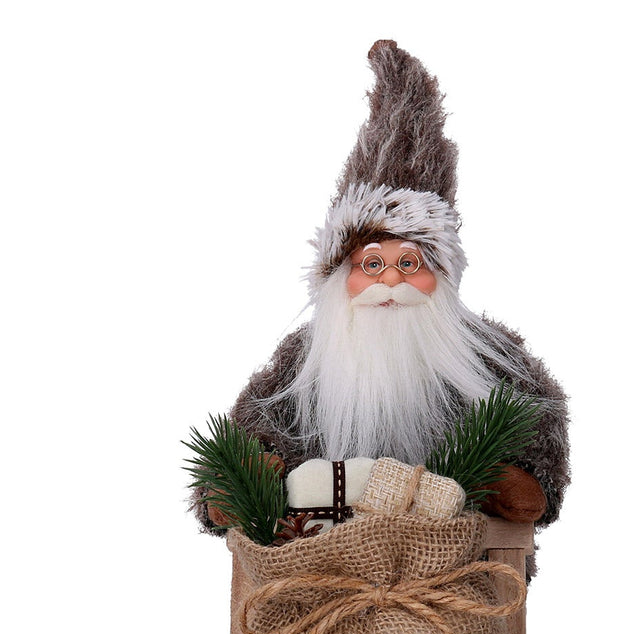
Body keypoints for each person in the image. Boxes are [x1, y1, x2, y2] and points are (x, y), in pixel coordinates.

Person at [194, 41, 570, 551]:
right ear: (339, 277)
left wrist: (526, 480)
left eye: (409, 264)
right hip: (317, 565)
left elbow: (539, 428)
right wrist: (241, 478)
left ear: (441, 275)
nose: (390, 281)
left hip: (458, 566)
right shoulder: (301, 361)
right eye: (371, 264)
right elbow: (249, 440)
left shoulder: (493, 356)